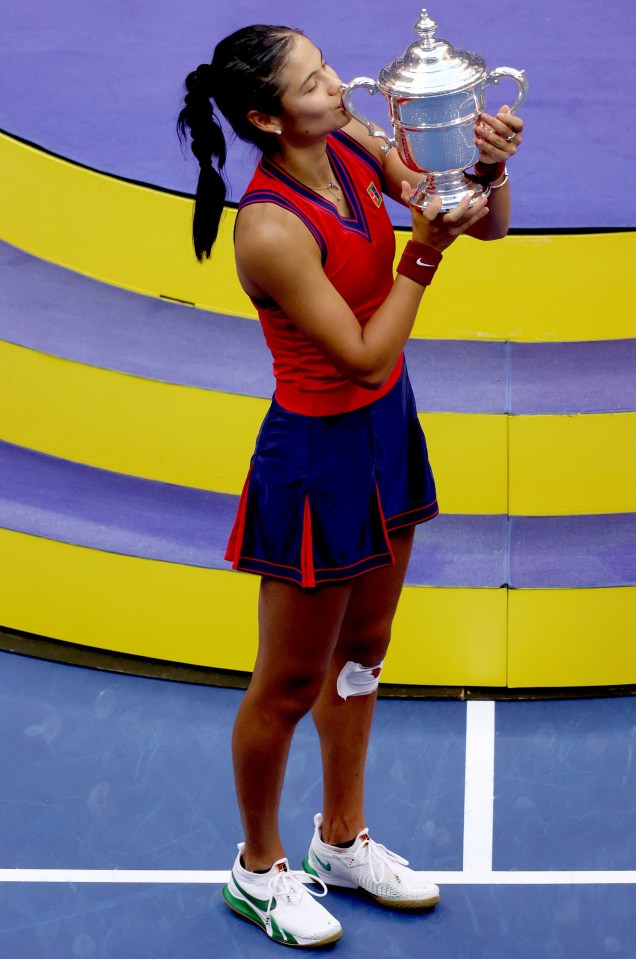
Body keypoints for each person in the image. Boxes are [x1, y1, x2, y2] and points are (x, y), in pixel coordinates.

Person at [178, 23, 523, 948]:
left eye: (328, 68)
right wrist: (423, 254)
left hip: (384, 438)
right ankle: (258, 868)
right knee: (288, 681)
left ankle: (340, 837)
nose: (340, 86)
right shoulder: (270, 228)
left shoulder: (358, 142)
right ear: (264, 117)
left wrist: (481, 171)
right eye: (314, 82)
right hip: (317, 456)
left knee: (364, 648)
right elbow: (367, 356)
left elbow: (475, 218)